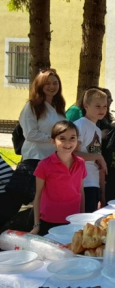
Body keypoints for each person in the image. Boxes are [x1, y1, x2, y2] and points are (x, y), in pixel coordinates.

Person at [4, 69, 67, 227]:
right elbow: (30, 134)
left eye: (55, 83)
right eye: (47, 83)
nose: (52, 86)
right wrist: (55, 140)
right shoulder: (31, 106)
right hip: (35, 159)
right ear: (39, 85)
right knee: (16, 199)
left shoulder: (58, 107)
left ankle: (37, 230)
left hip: (53, 161)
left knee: (46, 201)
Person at [31, 121, 86, 236]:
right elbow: (38, 196)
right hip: (50, 221)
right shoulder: (44, 165)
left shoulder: (80, 163)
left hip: (73, 221)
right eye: (62, 138)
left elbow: (81, 192)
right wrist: (36, 225)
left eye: (72, 138)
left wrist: (82, 217)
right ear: (53, 141)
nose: (68, 143)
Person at [74, 88, 108, 212]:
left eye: (104, 106)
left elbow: (98, 163)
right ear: (86, 106)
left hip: (93, 183)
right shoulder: (80, 125)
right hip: (82, 183)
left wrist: (102, 194)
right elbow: (72, 154)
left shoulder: (97, 130)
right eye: (97, 106)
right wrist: (98, 157)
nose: (102, 110)